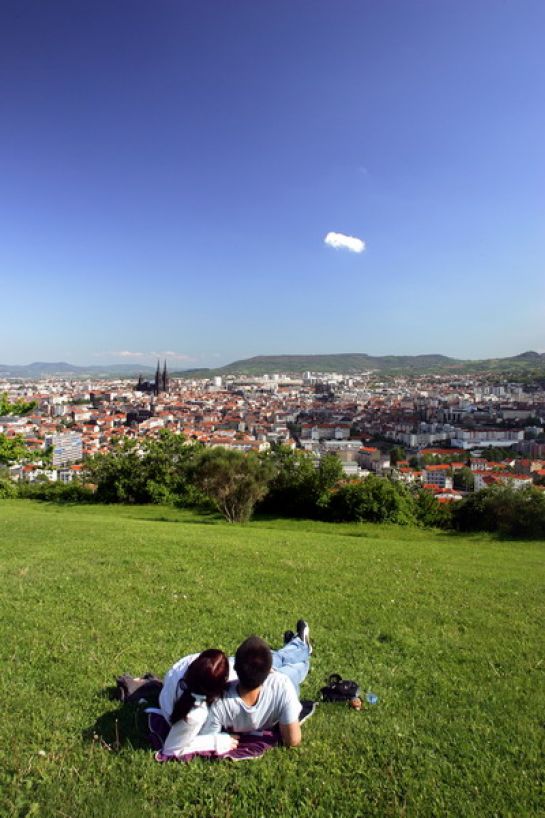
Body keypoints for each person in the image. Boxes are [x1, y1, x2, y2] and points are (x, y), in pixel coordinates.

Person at [201, 619, 312, 749]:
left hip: (258, 671)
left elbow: (207, 738)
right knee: (298, 665)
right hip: (278, 679)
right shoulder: (282, 685)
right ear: (270, 671)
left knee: (280, 659)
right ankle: (301, 646)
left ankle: (299, 646)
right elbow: (292, 740)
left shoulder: (219, 703)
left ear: (235, 668)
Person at [158, 649, 239, 758]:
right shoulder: (196, 714)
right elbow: (171, 748)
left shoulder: (196, 665)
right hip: (174, 713)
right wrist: (217, 741)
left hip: (167, 695)